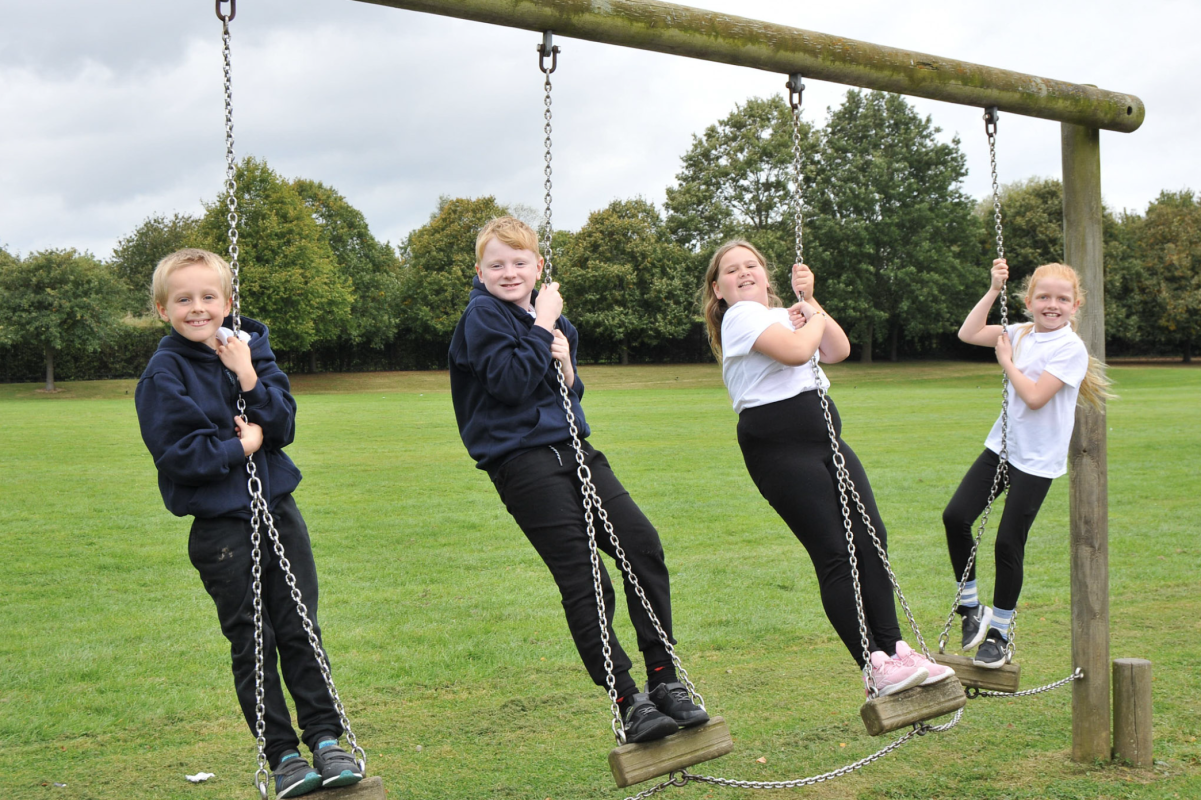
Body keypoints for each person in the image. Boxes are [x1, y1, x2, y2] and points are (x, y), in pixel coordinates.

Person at [448, 217, 708, 743]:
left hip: (576, 450)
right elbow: (512, 385)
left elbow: (568, 391)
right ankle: (628, 699)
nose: (509, 271)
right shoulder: (483, 316)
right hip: (523, 464)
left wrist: (566, 365)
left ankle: (664, 678)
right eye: (496, 264)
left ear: (538, 266)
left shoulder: (551, 320)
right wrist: (543, 324)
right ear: (480, 271)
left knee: (643, 547)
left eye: (520, 262)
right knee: (587, 579)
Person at [135, 249, 362, 798]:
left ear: (228, 302)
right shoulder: (163, 374)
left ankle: (328, 739)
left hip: (278, 513)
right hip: (221, 529)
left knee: (301, 628)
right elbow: (182, 455)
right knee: (253, 641)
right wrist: (245, 442)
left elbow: (282, 421)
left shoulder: (250, 349)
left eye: (208, 297)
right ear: (163, 308)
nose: (197, 308)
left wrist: (248, 376)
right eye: (183, 299)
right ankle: (282, 755)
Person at [701, 240, 954, 698]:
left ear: (766, 275)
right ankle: (873, 663)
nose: (743, 272)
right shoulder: (740, 317)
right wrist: (810, 319)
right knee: (836, 551)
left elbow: (837, 349)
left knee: (871, 537)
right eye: (731, 270)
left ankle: (897, 650)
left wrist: (811, 302)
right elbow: (799, 352)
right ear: (718, 289)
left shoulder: (786, 313)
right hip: (780, 448)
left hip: (827, 440)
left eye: (751, 265)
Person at [945, 259, 1111, 668]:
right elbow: (967, 333)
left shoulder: (1071, 348)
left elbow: (1036, 396)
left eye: (1062, 298)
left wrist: (1006, 362)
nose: (1052, 304)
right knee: (955, 517)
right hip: (1001, 447)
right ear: (1029, 301)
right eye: (1044, 297)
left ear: (1075, 306)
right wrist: (992, 290)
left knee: (1007, 542)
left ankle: (1000, 633)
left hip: (1037, 461)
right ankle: (971, 608)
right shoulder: (1018, 332)